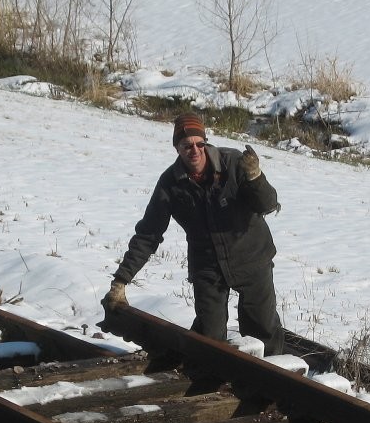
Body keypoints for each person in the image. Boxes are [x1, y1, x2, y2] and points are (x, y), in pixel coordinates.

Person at [102, 112, 285, 356]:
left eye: (199, 144)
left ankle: (272, 382)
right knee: (209, 338)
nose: (195, 151)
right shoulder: (170, 184)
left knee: (262, 329)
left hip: (251, 257)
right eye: (187, 146)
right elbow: (149, 234)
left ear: (206, 142)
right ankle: (212, 382)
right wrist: (121, 280)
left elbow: (268, 205)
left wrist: (255, 178)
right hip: (207, 266)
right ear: (177, 148)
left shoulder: (234, 163)